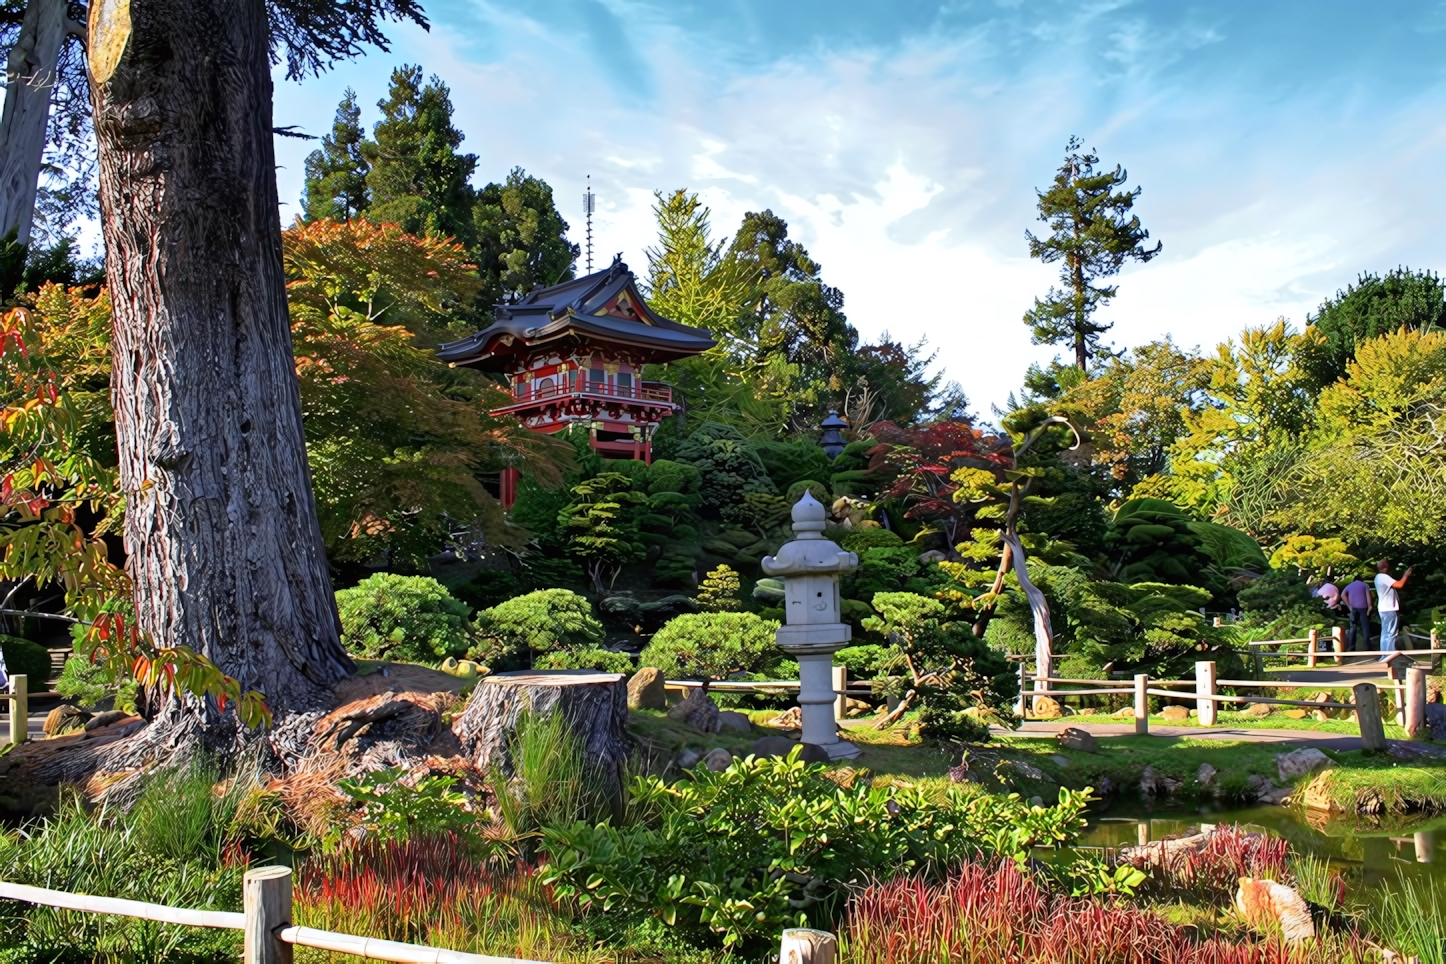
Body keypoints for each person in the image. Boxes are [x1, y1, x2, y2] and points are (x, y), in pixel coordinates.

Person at [1374, 559, 1413, 661]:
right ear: (1386, 566)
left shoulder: (1378, 577)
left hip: (1384, 608)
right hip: (1389, 608)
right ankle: (1389, 655)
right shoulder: (1383, 577)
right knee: (1391, 633)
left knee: (1385, 633)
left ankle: (1385, 655)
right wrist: (1406, 575)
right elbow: (1399, 584)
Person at [1341, 574, 1372, 652]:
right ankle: (1368, 647)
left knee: (1353, 628)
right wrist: (1370, 606)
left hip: (1353, 609)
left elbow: (1342, 595)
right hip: (1363, 608)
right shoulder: (1365, 585)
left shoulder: (1350, 585)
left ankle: (1352, 647)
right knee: (1365, 628)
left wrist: (1349, 606)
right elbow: (1368, 597)